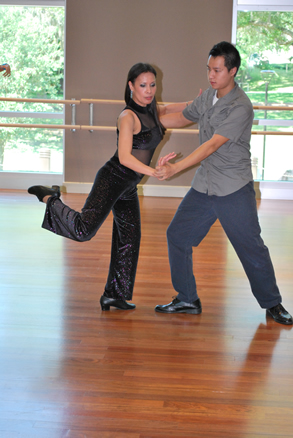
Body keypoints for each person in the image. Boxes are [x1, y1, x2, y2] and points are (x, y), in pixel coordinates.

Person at [154, 41, 293, 325]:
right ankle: (187, 298)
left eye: (217, 70)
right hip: (205, 185)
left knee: (250, 247)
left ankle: (273, 303)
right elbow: (181, 117)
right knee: (178, 235)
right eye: (208, 69)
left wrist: (176, 167)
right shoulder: (209, 97)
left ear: (233, 71)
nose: (211, 75)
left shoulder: (241, 106)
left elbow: (212, 145)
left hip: (233, 188)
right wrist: (143, 116)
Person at [28, 62, 182, 311]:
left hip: (128, 185)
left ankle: (114, 294)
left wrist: (208, 101)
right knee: (82, 230)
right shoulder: (127, 116)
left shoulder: (152, 112)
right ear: (131, 86)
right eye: (143, 85)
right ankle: (49, 197)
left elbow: (184, 110)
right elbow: (125, 158)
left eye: (153, 84)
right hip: (113, 179)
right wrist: (154, 171)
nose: (149, 90)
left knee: (130, 237)